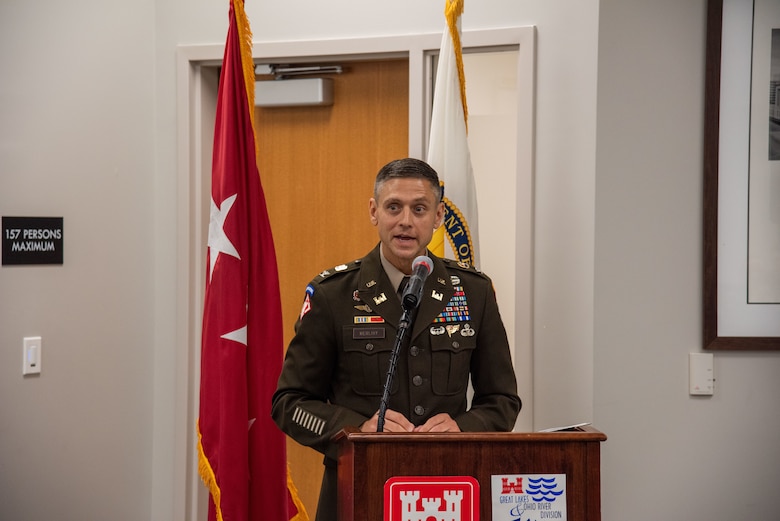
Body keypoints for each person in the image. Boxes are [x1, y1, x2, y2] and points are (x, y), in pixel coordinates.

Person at [271, 158, 521, 521]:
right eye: (393, 207)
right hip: (358, 491)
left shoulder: (472, 292)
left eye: (419, 209)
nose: (406, 221)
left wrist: (463, 427)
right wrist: (355, 430)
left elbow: (502, 401)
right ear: (374, 212)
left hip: (448, 490)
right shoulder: (333, 294)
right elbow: (289, 402)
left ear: (437, 218)